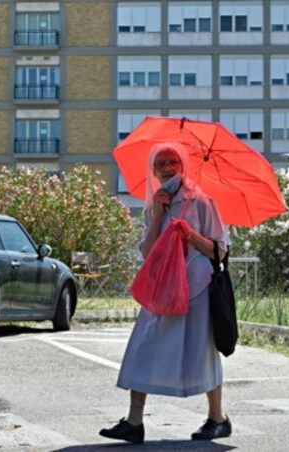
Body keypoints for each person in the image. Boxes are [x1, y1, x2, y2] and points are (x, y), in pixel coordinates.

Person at [99, 142, 231, 443]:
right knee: (142, 346)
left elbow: (219, 252)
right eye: (161, 164)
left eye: (173, 161)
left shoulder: (201, 201)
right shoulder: (152, 206)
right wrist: (159, 214)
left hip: (197, 285)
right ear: (154, 171)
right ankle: (134, 421)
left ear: (182, 164)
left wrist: (191, 235)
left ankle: (217, 418)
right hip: (162, 287)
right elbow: (147, 252)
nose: (168, 167)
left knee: (202, 349)